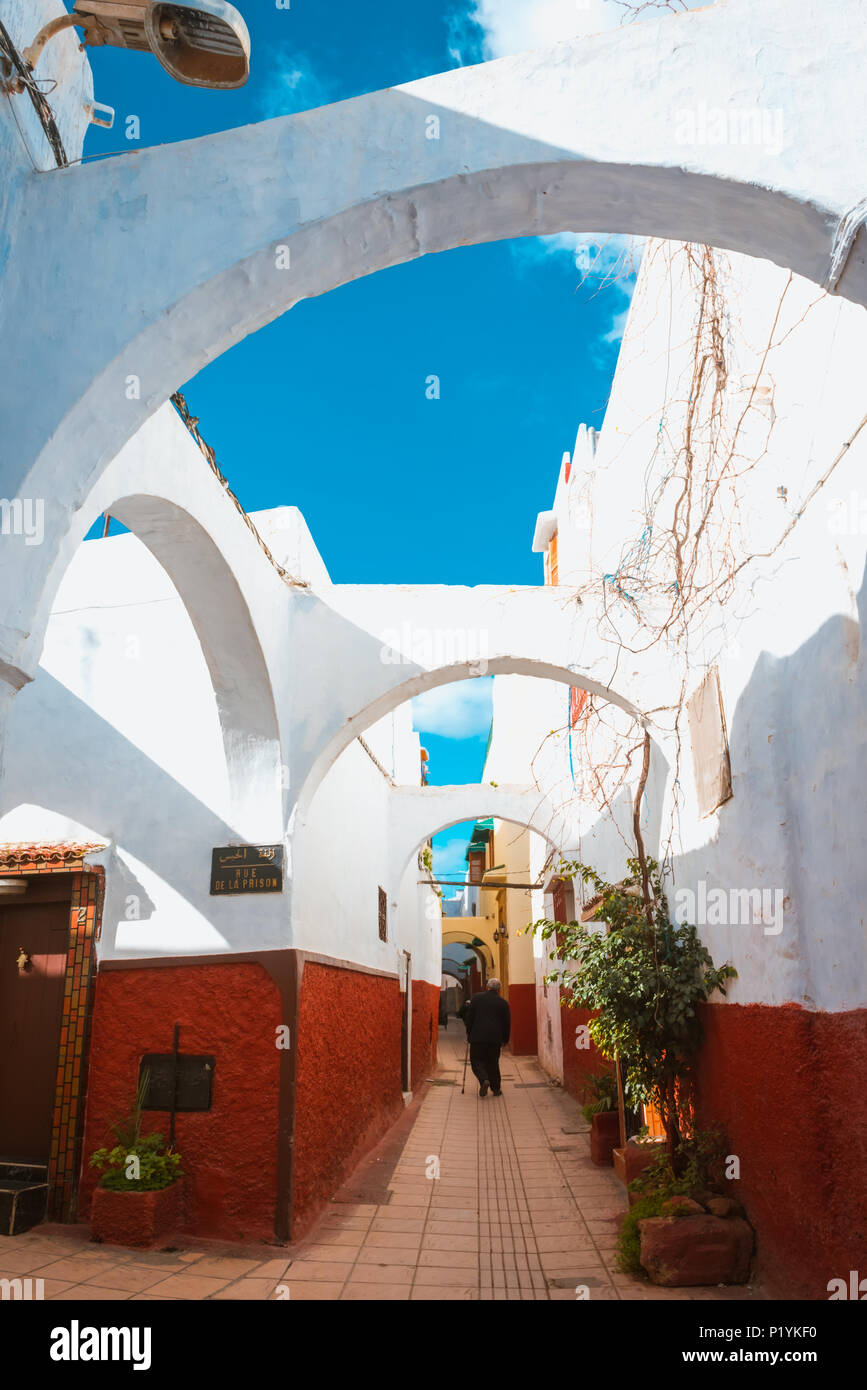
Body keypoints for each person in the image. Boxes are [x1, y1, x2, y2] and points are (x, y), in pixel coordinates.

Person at [463, 978, 510, 1097]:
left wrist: (469, 1032)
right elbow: (506, 1023)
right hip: (495, 1039)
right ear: (499, 990)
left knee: (476, 1061)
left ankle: (484, 1080)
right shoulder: (503, 1003)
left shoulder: (477, 998)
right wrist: (505, 1039)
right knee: (493, 1063)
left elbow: (470, 1018)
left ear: (487, 987)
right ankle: (496, 1089)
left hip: (477, 1037)